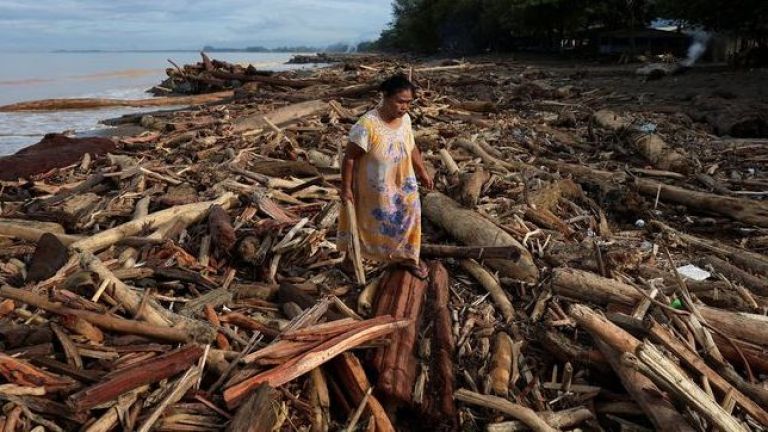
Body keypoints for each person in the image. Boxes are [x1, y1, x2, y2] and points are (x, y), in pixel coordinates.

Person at [337, 73, 433, 279]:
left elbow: (412, 146)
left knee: (410, 217)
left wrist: (422, 171)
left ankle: (408, 258)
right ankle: (351, 259)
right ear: (385, 96)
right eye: (400, 101)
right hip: (374, 187)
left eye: (408, 103)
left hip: (403, 182)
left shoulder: (405, 120)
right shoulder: (367, 125)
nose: (405, 107)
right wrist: (345, 189)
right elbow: (350, 158)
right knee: (366, 223)